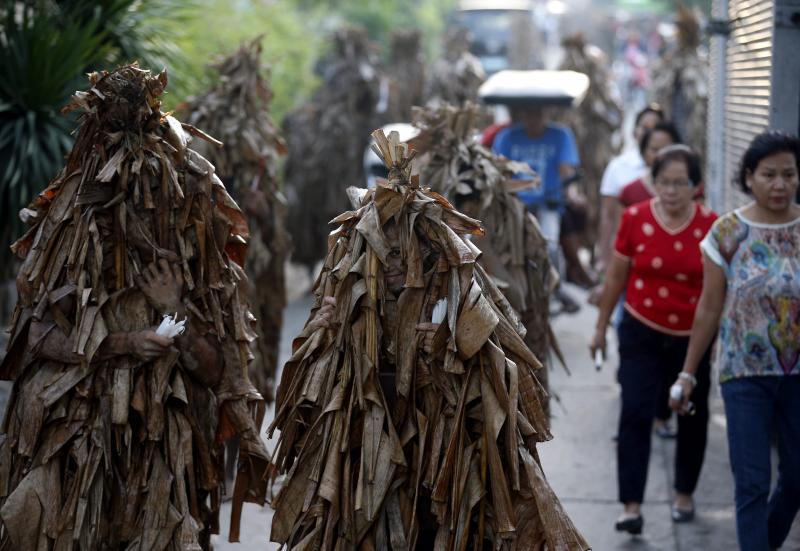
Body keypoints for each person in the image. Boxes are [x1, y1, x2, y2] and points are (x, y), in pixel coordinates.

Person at [269, 131, 589, 549]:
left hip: (438, 494)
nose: (400, 264)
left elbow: (499, 416)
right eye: (387, 253)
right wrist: (323, 341)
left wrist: (450, 354)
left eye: (411, 251)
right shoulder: (342, 313)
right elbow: (303, 425)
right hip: (367, 485)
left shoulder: (463, 310)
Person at [671, 131, 800, 551]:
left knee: (796, 478)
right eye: (769, 175)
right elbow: (709, 307)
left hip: (798, 376)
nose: (779, 184)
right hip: (743, 374)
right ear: (750, 176)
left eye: (788, 174)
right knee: (752, 483)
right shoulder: (726, 233)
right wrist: (689, 373)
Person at [589, 145, 717, 534]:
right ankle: (631, 505)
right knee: (635, 412)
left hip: (692, 337)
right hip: (640, 330)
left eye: (681, 183)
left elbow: (716, 293)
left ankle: (684, 493)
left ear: (696, 186)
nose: (673, 190)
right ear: (653, 182)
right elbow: (615, 277)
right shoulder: (635, 218)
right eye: (664, 182)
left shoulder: (712, 226)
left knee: (691, 415)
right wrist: (600, 327)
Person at [492, 104, 582, 312]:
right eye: (530, 111)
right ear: (521, 113)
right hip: (514, 204)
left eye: (539, 111)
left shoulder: (560, 135)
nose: (534, 117)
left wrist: (572, 193)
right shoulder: (507, 137)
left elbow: (566, 170)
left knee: (549, 245)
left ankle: (556, 288)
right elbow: (498, 170)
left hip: (548, 202)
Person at [596, 104, 664, 273]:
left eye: (656, 128)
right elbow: (608, 216)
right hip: (627, 256)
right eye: (645, 127)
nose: (650, 132)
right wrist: (604, 259)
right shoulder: (618, 167)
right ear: (635, 132)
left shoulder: (676, 170)